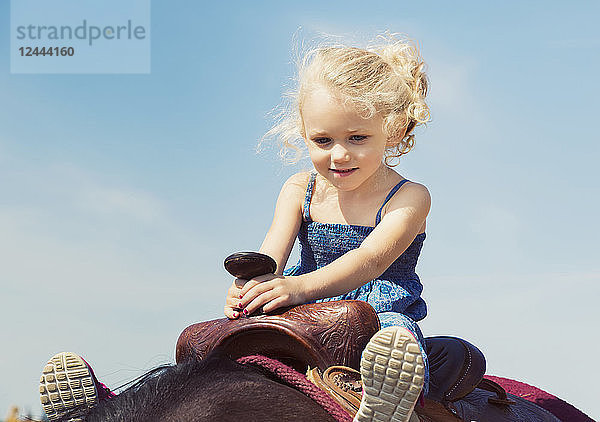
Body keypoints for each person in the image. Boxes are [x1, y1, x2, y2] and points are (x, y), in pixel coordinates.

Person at [224, 35, 431, 422]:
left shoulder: (409, 197)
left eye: (357, 138)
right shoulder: (299, 189)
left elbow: (369, 261)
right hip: (302, 306)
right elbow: (271, 256)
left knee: (394, 342)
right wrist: (249, 288)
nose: (339, 154)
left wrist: (298, 286)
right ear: (304, 133)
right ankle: (106, 404)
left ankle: (386, 405)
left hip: (376, 309)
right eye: (323, 140)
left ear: (396, 129)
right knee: (218, 348)